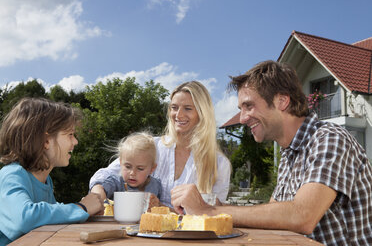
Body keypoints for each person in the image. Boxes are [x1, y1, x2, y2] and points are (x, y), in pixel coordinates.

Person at [171, 61, 372, 246]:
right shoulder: (289, 153)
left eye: (249, 106)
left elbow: (302, 216)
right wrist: (219, 206)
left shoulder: (329, 138)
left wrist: (211, 212)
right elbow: (273, 216)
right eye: (241, 109)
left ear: (282, 101)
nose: (242, 118)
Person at [90, 81, 231, 208]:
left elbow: (216, 213)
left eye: (188, 108)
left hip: (190, 236)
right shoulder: (152, 146)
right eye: (174, 107)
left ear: (202, 113)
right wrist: (98, 194)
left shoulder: (219, 163)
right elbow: (106, 174)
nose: (178, 115)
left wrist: (163, 208)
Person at [0, 98, 104, 245]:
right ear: (46, 140)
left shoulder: (45, 180)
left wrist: (83, 212)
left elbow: (50, 220)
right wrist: (81, 207)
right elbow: (24, 218)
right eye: (70, 134)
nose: (75, 142)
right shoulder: (12, 175)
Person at [90, 132, 162, 208]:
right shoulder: (116, 182)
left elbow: (160, 207)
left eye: (140, 169)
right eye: (128, 167)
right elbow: (98, 190)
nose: (132, 173)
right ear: (121, 163)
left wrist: (157, 204)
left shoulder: (156, 185)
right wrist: (102, 203)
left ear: (152, 169)